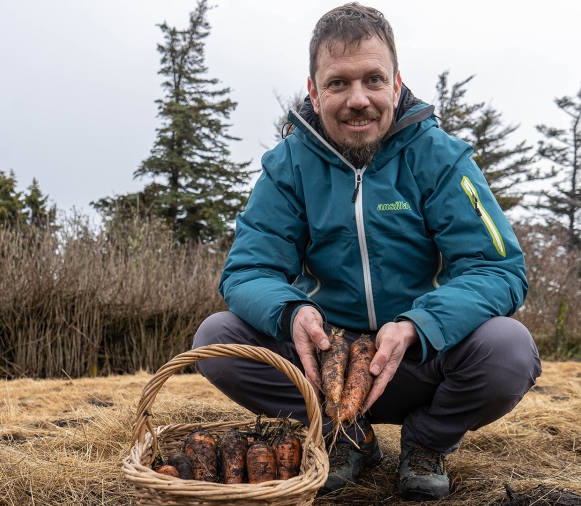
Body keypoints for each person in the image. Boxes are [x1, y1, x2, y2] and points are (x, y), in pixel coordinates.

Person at [192, 3, 542, 501]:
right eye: (338, 83)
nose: (358, 99)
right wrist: (292, 312)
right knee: (217, 338)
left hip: (423, 359)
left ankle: (426, 443)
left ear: (396, 85)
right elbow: (247, 271)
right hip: (324, 365)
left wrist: (420, 325)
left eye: (374, 80)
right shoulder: (286, 167)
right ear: (313, 91)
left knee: (509, 350)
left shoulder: (442, 158)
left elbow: (500, 269)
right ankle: (347, 438)